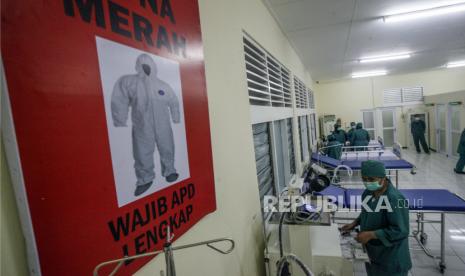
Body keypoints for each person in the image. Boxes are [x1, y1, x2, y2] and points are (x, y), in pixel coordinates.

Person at [112, 54, 180, 196]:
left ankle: (169, 170)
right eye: (143, 66)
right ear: (138, 66)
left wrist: (176, 118)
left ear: (154, 67)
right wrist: (120, 120)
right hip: (142, 125)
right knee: (142, 152)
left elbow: (174, 102)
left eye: (148, 65)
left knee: (167, 147)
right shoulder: (130, 82)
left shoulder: (162, 85)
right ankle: (145, 179)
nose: (146, 68)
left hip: (163, 125)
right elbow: (119, 99)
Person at [342, 160, 412, 276]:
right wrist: (355, 223)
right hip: (374, 253)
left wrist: (371, 234)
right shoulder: (368, 193)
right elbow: (367, 212)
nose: (367, 183)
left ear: (383, 178)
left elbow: (401, 230)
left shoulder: (395, 199)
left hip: (392, 257)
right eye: (364, 179)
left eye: (371, 179)